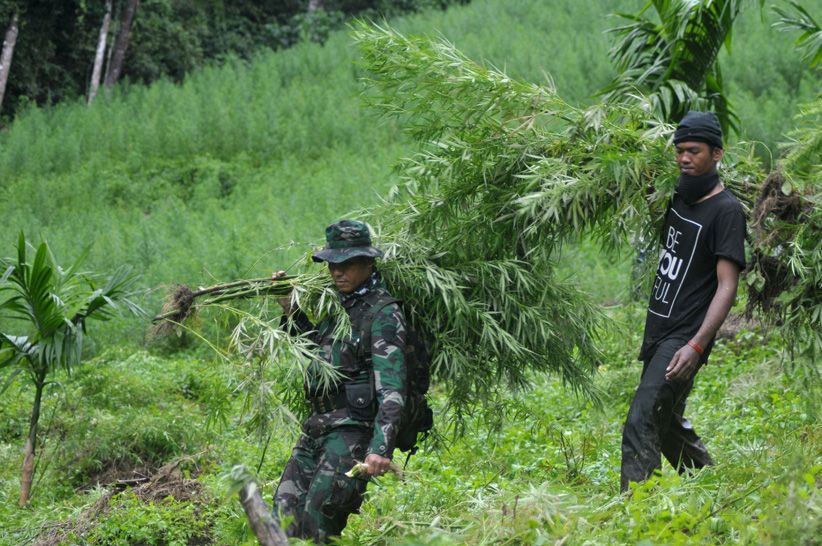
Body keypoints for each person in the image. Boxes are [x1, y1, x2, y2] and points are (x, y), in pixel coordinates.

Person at [620, 111, 747, 492]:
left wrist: (697, 345)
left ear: (717, 154)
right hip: (659, 327)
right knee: (666, 418)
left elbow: (727, 285)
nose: (684, 159)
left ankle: (636, 512)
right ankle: (706, 483)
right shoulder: (678, 195)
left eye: (693, 151)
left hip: (685, 337)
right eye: (679, 151)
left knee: (641, 419)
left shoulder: (726, 212)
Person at [272, 219, 406, 544]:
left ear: (368, 263)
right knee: (282, 515)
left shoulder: (383, 313)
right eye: (332, 264)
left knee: (317, 521)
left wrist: (380, 448)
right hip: (317, 428)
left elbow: (392, 389)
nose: (337, 272)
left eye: (346, 264)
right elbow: (320, 352)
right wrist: (290, 308)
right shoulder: (338, 305)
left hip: (351, 434)